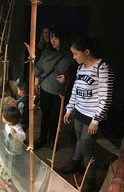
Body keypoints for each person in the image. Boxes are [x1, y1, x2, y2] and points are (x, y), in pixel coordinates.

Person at [60, 35, 115, 192]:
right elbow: (76, 91)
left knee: (86, 145)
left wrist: (96, 120)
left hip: (93, 116)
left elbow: (105, 98)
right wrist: (69, 109)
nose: (74, 57)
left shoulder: (102, 69)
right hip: (80, 111)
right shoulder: (81, 68)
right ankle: (76, 162)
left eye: (76, 54)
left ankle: (91, 179)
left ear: (87, 52)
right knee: (79, 139)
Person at [34, 24, 73, 150]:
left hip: (59, 91)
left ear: (63, 38)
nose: (52, 41)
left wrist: (67, 78)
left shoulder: (69, 54)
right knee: (45, 114)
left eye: (56, 38)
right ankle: (42, 138)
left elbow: (74, 72)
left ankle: (52, 139)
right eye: (51, 38)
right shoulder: (47, 52)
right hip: (46, 87)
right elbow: (39, 68)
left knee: (55, 116)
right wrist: (36, 84)